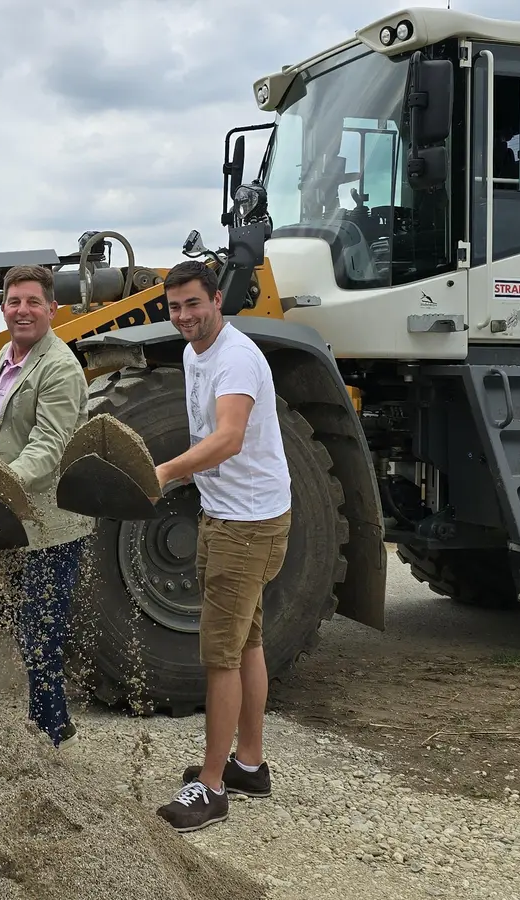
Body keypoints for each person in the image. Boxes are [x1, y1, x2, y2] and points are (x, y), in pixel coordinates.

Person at [150, 260, 292, 833]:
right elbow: (210, 440)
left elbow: (229, 438)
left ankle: (209, 788)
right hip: (229, 512)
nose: (183, 317)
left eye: (193, 304)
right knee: (248, 639)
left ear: (217, 301)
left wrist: (161, 474)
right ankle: (249, 765)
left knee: (220, 657)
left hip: (247, 522)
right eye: (174, 307)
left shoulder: (235, 357)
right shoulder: (193, 354)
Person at [0, 264, 95, 748]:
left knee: (40, 630)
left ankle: (48, 732)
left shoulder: (59, 368)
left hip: (51, 521)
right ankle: (48, 721)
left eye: (32, 302)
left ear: (52, 309)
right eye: (13, 301)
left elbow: (49, 447)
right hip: (16, 515)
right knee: (29, 628)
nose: (21, 310)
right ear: (3, 307)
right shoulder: (8, 358)